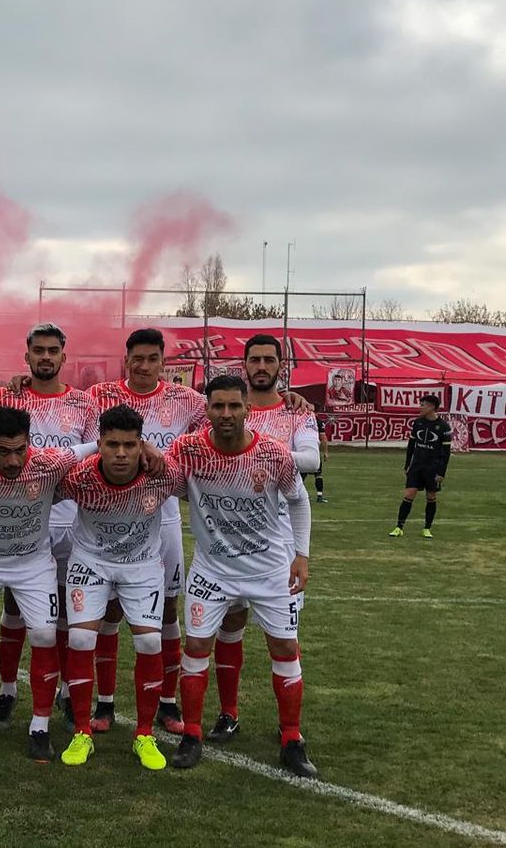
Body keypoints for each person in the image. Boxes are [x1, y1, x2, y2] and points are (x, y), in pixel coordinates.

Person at [167, 375, 317, 778]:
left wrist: (300, 555)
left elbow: (299, 502)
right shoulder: (188, 450)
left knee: (285, 648)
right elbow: (168, 483)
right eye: (218, 406)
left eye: (235, 406)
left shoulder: (272, 454)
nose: (226, 414)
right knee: (197, 644)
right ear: (208, 410)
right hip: (213, 569)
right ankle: (193, 734)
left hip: (269, 569)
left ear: (248, 408)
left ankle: (291, 739)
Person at [0, 407, 98, 763]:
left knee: (45, 636)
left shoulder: (48, 462)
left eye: (20, 449)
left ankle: (40, 727)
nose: (13, 460)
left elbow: (95, 447)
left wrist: (147, 449)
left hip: (33, 566)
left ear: (30, 443)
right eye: (4, 451)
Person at [84, 328, 205, 735]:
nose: (144, 365)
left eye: (153, 358)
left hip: (162, 519)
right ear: (127, 359)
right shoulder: (99, 395)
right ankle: (104, 702)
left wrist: (290, 401)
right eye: (138, 358)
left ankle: (167, 703)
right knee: (108, 611)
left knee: (166, 612)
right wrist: (20, 383)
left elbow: (234, 415)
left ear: (163, 361)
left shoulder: (186, 400)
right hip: (106, 518)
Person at [0, 323, 98, 729]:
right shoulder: (4, 398)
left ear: (64, 357)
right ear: (26, 356)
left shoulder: (84, 405)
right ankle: (8, 690)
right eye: (38, 351)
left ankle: (66, 691)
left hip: (68, 518)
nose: (46, 357)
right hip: (17, 518)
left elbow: (93, 459)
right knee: (14, 606)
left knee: (65, 609)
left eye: (53, 351)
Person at [208, 333, 319, 745]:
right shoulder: (229, 407)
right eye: (254, 359)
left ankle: (290, 730)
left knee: (284, 638)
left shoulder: (296, 414)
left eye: (268, 360)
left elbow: (312, 458)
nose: (261, 366)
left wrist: (257, 453)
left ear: (280, 365)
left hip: (279, 543)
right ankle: (228, 713)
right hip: (229, 540)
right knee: (230, 625)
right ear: (244, 364)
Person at [58, 405, 176, 772]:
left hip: (141, 564)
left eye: (129, 444)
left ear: (142, 445)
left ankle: (144, 734)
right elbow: (37, 479)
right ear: (99, 445)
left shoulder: (162, 475)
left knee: (150, 642)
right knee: (79, 639)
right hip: (90, 561)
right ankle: (82, 732)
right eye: (112, 444)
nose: (121, 453)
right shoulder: (78, 477)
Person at [389, 395, 452, 538]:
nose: (420, 407)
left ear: (431, 407)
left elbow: (446, 453)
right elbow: (411, 445)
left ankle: (427, 528)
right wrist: (407, 465)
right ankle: (399, 527)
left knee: (431, 496)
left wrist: (441, 472)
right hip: (417, 466)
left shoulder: (444, 427)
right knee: (409, 494)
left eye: (423, 405)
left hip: (433, 468)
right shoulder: (417, 423)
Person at [308, 412, 329, 503]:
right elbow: (323, 438)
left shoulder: (301, 419)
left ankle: (296, 496)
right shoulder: (318, 421)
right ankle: (319, 496)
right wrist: (325, 452)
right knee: (318, 475)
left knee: (300, 475)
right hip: (314, 451)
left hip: (301, 450)